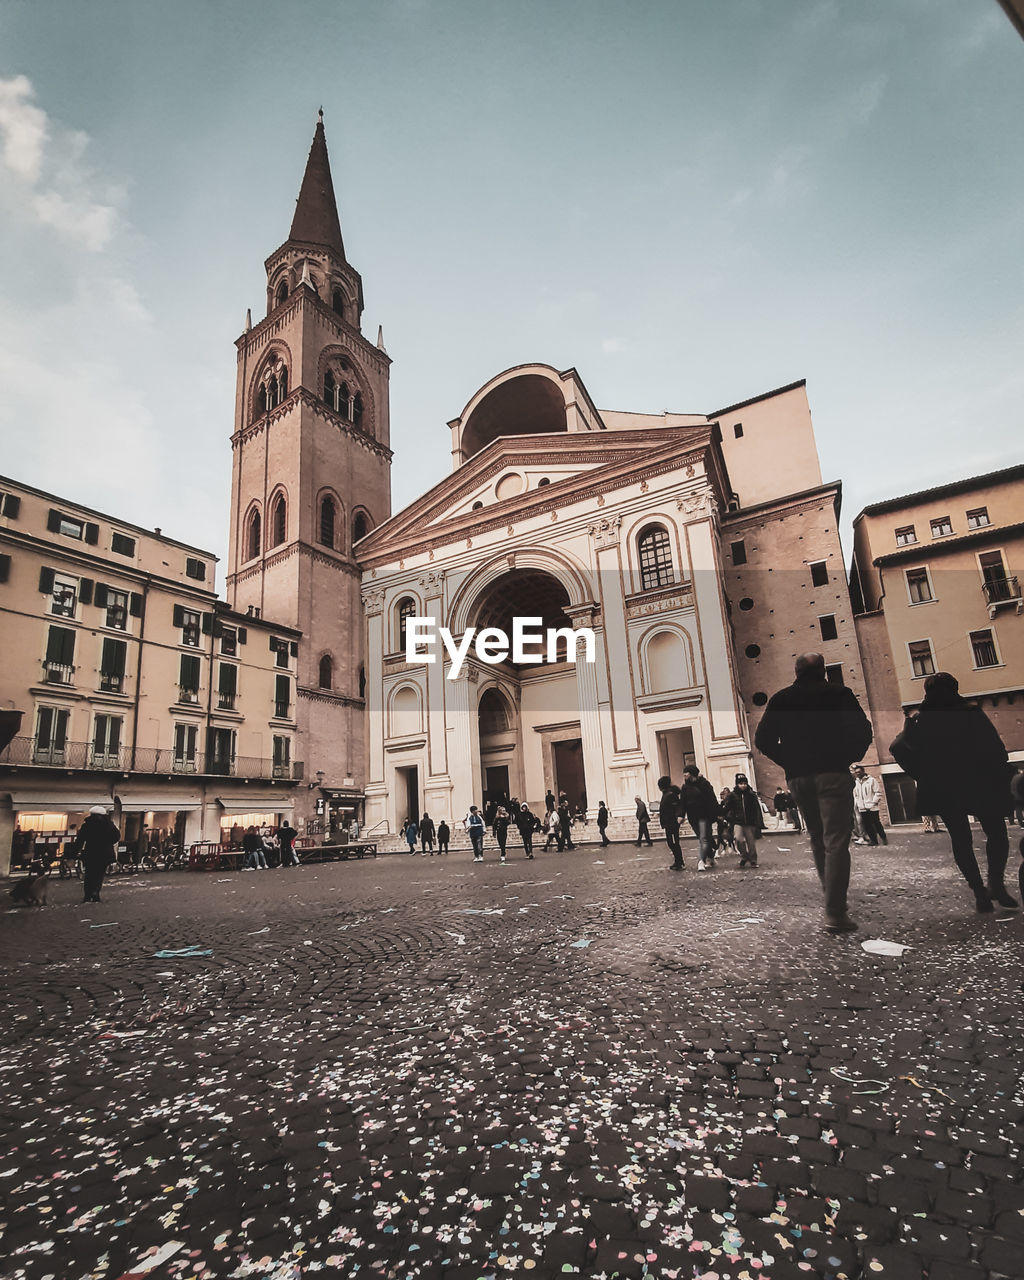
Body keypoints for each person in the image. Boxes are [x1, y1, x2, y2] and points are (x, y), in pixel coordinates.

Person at [755, 652, 873, 933]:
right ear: (823, 671)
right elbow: (863, 731)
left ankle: (832, 898)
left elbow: (763, 739)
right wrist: (846, 756)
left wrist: (790, 761)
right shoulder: (839, 694)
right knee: (836, 842)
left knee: (819, 839)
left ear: (796, 673)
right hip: (832, 773)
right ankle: (835, 911)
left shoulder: (782, 699)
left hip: (799, 778)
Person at [890, 671, 1017, 913]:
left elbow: (898, 747)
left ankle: (980, 892)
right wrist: (999, 770)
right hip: (979, 782)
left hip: (943, 786)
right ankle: (996, 884)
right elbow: (995, 747)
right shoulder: (969, 713)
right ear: (955, 688)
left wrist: (920, 773)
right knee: (997, 832)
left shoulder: (920, 720)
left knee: (961, 840)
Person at [72, 806, 120, 903]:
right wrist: (108, 843)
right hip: (104, 854)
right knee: (99, 874)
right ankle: (95, 893)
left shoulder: (87, 825)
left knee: (89, 874)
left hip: (91, 852)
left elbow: (80, 840)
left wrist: (73, 853)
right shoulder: (109, 825)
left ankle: (87, 895)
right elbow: (117, 837)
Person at [680, 764, 720, 871]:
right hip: (693, 817)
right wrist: (681, 815)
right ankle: (711, 856)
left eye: (686, 773)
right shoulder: (685, 787)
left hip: (704, 815)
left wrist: (718, 813)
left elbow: (712, 799)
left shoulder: (704, 784)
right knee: (703, 838)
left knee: (703, 839)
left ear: (692, 773)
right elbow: (682, 802)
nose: (684, 775)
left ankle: (701, 861)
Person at [725, 774, 764, 868]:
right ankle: (744, 856)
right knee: (738, 839)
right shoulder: (732, 795)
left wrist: (759, 822)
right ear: (737, 784)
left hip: (750, 822)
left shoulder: (751, 795)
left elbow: (757, 809)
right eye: (741, 783)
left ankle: (753, 860)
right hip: (738, 822)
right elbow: (727, 807)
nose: (743, 785)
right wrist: (725, 816)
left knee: (751, 843)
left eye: (745, 783)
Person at [852, 766, 887, 846]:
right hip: (862, 808)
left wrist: (873, 803)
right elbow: (856, 795)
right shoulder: (856, 782)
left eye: (859, 772)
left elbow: (877, 792)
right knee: (867, 825)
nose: (857, 774)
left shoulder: (871, 780)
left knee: (876, 823)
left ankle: (883, 837)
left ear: (863, 772)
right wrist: (858, 804)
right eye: (856, 772)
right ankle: (874, 841)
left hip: (872, 807)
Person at [657, 775, 684, 871]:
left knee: (673, 843)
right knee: (673, 843)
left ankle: (679, 862)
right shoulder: (668, 794)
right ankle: (679, 861)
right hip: (669, 822)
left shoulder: (670, 794)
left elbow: (675, 807)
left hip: (671, 822)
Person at [716, 788, 736, 855]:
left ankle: (731, 847)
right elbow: (719, 811)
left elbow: (731, 812)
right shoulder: (721, 803)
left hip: (729, 820)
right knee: (720, 835)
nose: (724, 796)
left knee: (730, 835)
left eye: (725, 794)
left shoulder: (730, 803)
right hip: (721, 821)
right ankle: (722, 847)